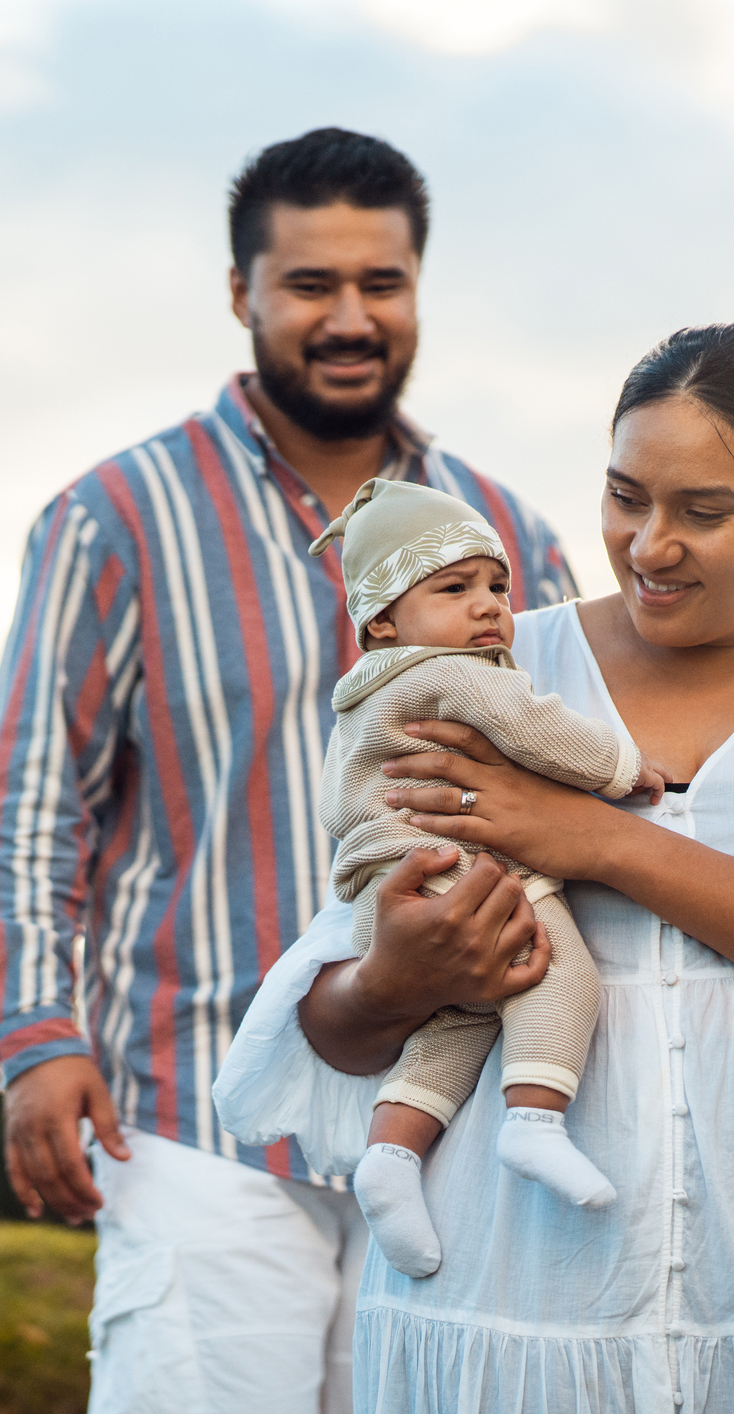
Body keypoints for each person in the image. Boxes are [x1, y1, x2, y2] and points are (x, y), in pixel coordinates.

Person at [216, 322, 734, 1412]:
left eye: (703, 510)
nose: (648, 545)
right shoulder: (483, 660)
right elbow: (336, 1020)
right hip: (513, 1290)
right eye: (623, 497)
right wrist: (399, 975)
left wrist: (591, 837)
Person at [0, 128, 578, 1414]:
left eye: (381, 283)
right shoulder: (116, 517)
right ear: (239, 293)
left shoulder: (511, 534)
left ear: (416, 289)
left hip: (449, 1119)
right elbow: (29, 803)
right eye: (309, 285)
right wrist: (34, 1037)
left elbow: (577, 800)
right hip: (199, 1121)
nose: (349, 317)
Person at [307, 478, 667, 1279]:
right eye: (454, 588)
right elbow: (535, 728)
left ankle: (391, 1159)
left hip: (385, 896)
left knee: (459, 1023)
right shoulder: (457, 674)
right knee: (558, 970)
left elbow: (339, 805)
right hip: (457, 870)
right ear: (383, 621)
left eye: (497, 585)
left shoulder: (358, 703)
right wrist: (623, 767)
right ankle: (535, 1123)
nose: (488, 607)